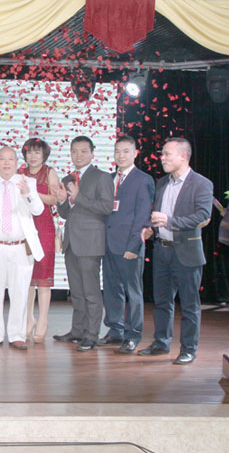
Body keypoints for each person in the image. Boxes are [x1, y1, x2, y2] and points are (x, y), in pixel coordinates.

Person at [138, 138, 212, 365]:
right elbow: (157, 215)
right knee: (161, 302)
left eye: (167, 154)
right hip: (162, 251)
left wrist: (170, 221)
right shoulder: (162, 183)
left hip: (187, 252)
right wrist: (150, 228)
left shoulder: (201, 183)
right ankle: (161, 343)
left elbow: (203, 216)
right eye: (162, 154)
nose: (162, 158)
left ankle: (188, 349)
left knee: (189, 305)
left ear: (183, 156)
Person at [0, 146, 44, 349]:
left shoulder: (27, 182)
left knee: (20, 292)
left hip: (20, 247)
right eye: (2, 158)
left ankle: (17, 335)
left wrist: (27, 194)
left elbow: (38, 210)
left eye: (10, 159)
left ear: (17, 162)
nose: (6, 162)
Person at [54, 136, 114, 351]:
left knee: (91, 292)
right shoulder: (68, 178)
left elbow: (106, 207)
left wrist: (78, 196)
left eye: (83, 151)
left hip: (90, 243)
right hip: (71, 242)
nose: (78, 155)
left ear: (92, 153)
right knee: (77, 292)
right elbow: (66, 213)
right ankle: (77, 330)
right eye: (74, 151)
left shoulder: (102, 177)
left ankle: (91, 335)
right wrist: (62, 200)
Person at [101, 135, 155, 354]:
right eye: (117, 151)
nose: (120, 155)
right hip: (108, 245)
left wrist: (134, 246)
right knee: (112, 290)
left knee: (133, 292)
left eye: (125, 151)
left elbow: (143, 216)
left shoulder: (143, 180)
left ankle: (133, 335)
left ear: (135, 153)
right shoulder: (109, 178)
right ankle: (115, 330)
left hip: (129, 246)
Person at [18, 138, 61, 344]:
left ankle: (43, 320)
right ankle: (28, 319)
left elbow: (54, 199)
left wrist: (32, 193)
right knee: (26, 276)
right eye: (29, 152)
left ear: (44, 155)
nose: (33, 156)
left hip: (43, 227)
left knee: (43, 276)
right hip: (24, 227)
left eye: (37, 152)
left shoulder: (49, 172)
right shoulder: (20, 173)